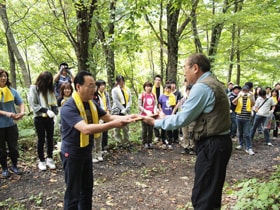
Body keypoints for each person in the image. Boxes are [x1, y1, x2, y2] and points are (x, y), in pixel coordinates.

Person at [142, 53, 232, 209]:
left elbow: (183, 118)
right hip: (219, 144)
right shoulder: (214, 83)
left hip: (212, 146)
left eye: (185, 68)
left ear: (195, 68)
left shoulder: (202, 87)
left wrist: (156, 122)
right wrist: (164, 116)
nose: (184, 72)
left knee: (203, 197)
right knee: (211, 194)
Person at [60, 71, 137, 210]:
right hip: (72, 154)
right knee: (73, 193)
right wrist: (113, 125)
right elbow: (85, 129)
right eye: (90, 86)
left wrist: (131, 117)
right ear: (78, 87)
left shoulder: (92, 104)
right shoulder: (68, 107)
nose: (94, 89)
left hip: (86, 151)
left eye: (94, 86)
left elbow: (109, 117)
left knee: (87, 190)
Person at [28, 71, 58, 171]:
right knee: (41, 139)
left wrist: (55, 112)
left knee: (50, 138)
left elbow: (54, 103)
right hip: (39, 118)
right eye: (47, 81)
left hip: (49, 118)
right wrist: (46, 110)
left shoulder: (50, 90)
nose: (48, 83)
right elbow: (34, 104)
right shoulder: (34, 89)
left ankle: (50, 158)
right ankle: (41, 160)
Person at [0, 69, 25, 178]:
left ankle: (14, 166)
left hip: (11, 124)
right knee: (1, 149)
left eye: (5, 76)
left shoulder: (12, 91)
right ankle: (4, 168)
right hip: (0, 126)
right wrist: (7, 113)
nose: (3, 78)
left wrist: (22, 112)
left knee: (13, 147)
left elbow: (21, 102)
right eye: (1, 76)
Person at [232, 85, 255, 155]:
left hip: (247, 118)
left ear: (248, 91)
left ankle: (249, 148)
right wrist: (239, 96)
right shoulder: (239, 97)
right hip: (239, 117)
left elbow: (253, 104)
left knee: (247, 134)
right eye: (244, 90)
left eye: (246, 91)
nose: (245, 92)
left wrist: (251, 97)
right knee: (240, 132)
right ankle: (241, 144)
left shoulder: (250, 97)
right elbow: (233, 102)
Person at [111, 75, 132, 149]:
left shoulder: (127, 89)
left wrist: (126, 109)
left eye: (122, 81)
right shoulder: (114, 90)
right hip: (117, 110)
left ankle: (126, 142)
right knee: (117, 128)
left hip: (126, 110)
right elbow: (115, 100)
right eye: (119, 81)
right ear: (117, 82)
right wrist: (122, 109)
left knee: (126, 127)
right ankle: (118, 143)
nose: (121, 83)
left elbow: (130, 99)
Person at [138, 81, 157, 149]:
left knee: (151, 129)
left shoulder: (153, 95)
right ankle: (144, 142)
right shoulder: (142, 95)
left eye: (149, 86)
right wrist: (146, 111)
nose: (148, 88)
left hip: (151, 115)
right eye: (147, 86)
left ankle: (150, 142)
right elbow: (139, 106)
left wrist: (155, 110)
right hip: (144, 115)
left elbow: (155, 104)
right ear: (144, 87)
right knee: (144, 129)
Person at [158, 83, 176, 149]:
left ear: (171, 89)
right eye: (166, 88)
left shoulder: (173, 96)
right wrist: (161, 112)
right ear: (164, 89)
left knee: (169, 129)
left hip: (170, 114)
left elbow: (174, 106)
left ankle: (170, 143)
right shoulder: (161, 96)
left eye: (169, 88)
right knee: (163, 128)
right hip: (163, 115)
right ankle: (163, 142)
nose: (167, 90)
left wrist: (172, 113)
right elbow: (159, 105)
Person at [96, 79, 111, 153]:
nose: (103, 87)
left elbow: (108, 103)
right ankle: (99, 148)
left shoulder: (106, 94)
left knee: (106, 131)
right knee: (100, 132)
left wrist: (108, 111)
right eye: (101, 85)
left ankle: (105, 146)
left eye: (103, 85)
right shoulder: (96, 95)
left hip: (106, 113)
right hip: (99, 115)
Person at [152, 75, 163, 142]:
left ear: (161, 81)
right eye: (156, 80)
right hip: (154, 107)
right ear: (154, 81)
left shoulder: (163, 89)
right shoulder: (152, 89)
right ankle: (157, 135)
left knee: (162, 120)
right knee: (155, 121)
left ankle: (163, 136)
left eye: (159, 80)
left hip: (161, 107)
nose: (158, 81)